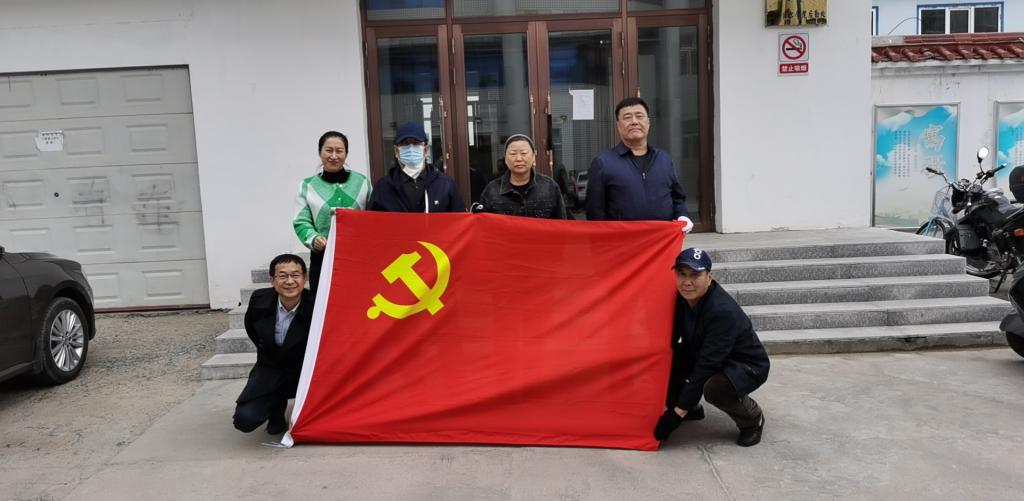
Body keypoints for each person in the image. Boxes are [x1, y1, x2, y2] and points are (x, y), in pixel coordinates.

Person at [654, 248, 770, 447]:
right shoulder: (682, 298)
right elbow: (674, 339)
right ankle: (691, 409)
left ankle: (752, 419)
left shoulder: (722, 312)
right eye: (681, 274)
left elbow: (708, 364)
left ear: (709, 277)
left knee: (715, 388)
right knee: (667, 358)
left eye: (695, 275)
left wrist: (677, 413)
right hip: (708, 354)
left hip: (746, 366)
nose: (687, 282)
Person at [233, 254, 314, 435]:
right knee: (245, 419)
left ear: (305, 279)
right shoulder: (259, 299)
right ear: (272, 280)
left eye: (295, 275)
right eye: (282, 276)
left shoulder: (315, 304)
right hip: (270, 366)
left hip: (303, 369)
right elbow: (252, 329)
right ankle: (276, 410)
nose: (290, 281)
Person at [585, 97, 692, 231]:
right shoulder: (603, 162)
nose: (634, 122)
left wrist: (683, 216)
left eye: (639, 116)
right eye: (627, 117)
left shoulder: (664, 159)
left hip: (662, 239)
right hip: (624, 240)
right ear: (618, 126)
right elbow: (595, 211)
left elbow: (677, 198)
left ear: (648, 122)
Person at [293, 131, 371, 295]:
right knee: (325, 300)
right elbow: (301, 221)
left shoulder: (362, 182)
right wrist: (314, 238)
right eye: (329, 150)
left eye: (339, 151)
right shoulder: (308, 186)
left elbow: (373, 216)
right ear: (320, 152)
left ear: (346, 154)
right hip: (323, 257)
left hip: (359, 256)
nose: (334, 156)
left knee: (358, 299)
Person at [368, 122, 466, 213]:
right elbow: (371, 222)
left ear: (426, 150)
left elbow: (460, 220)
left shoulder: (445, 185)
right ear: (396, 151)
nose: (411, 148)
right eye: (405, 143)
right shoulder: (383, 188)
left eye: (416, 143)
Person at [478, 134, 568, 219]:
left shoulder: (549, 187)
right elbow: (482, 225)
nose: (519, 159)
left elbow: (560, 224)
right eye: (513, 154)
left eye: (524, 153)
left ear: (533, 157)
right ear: (505, 159)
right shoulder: (492, 190)